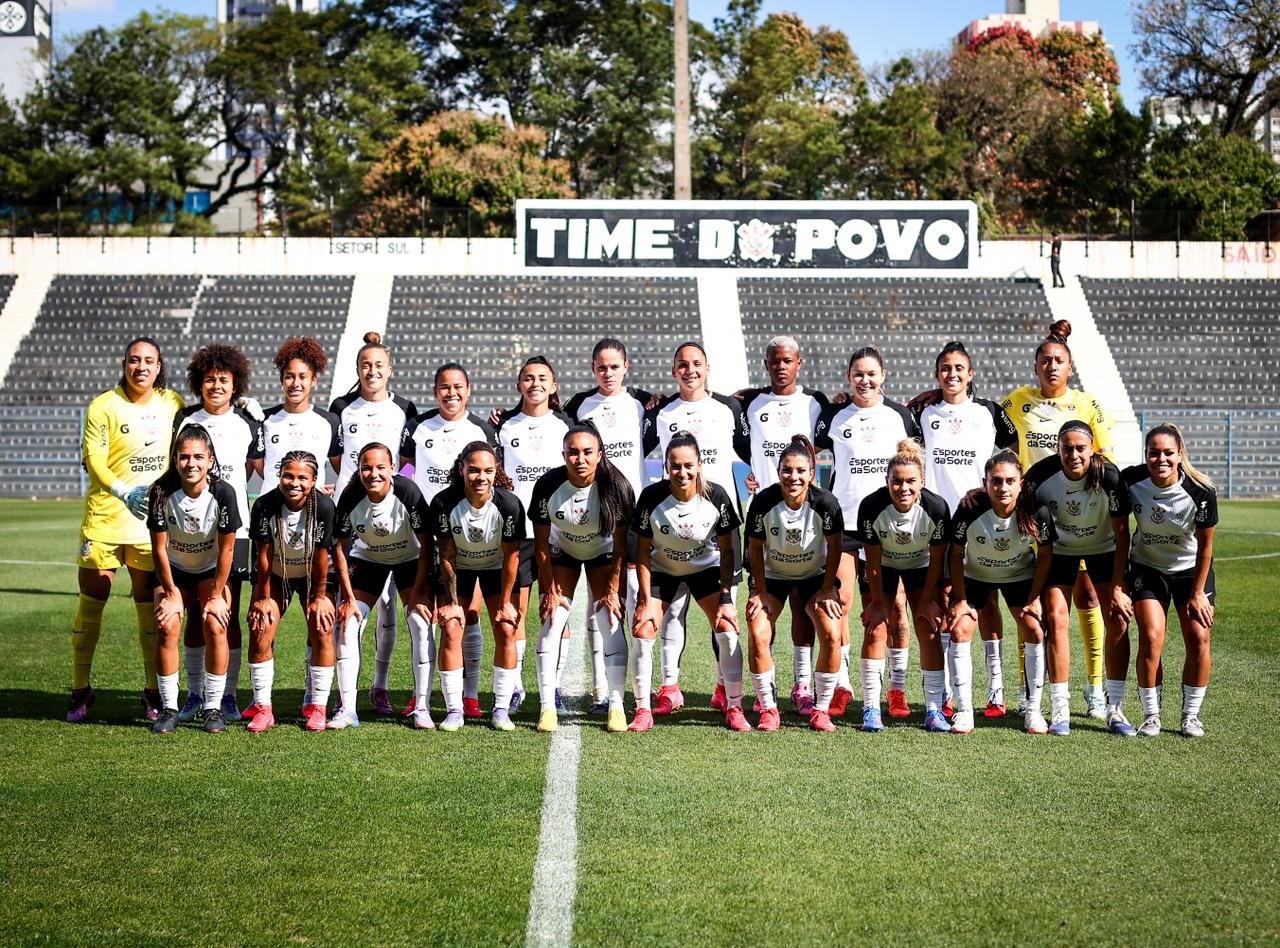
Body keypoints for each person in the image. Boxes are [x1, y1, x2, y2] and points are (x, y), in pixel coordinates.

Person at [68, 337, 185, 723]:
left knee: (150, 613)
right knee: (90, 607)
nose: (141, 367)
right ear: (124, 364)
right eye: (135, 360)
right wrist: (124, 492)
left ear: (158, 366)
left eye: (149, 361)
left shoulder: (172, 404)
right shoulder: (102, 406)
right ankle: (80, 689)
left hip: (150, 527)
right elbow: (94, 460)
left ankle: (151, 691)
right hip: (104, 521)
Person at [1001, 320, 1114, 719]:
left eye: (1059, 360)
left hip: (1077, 518)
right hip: (1032, 518)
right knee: (1030, 605)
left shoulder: (1087, 404)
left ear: (1069, 366)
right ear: (1035, 366)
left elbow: (1105, 457)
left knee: (1087, 598)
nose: (1052, 366)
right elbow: (983, 421)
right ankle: (1027, 687)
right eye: (1045, 360)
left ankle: (1095, 687)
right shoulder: (1016, 402)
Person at [641, 341, 750, 714]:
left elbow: (755, 448)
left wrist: (754, 477)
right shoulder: (661, 412)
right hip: (672, 522)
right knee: (672, 610)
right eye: (683, 364)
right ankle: (669, 687)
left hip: (720, 525)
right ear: (674, 371)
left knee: (723, 610)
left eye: (697, 363)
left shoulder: (730, 408)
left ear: (707, 368)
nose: (690, 370)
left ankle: (723, 688)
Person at [813, 345, 919, 718]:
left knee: (895, 606)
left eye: (871, 373)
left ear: (883, 375)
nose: (865, 380)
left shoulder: (900, 416)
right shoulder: (833, 416)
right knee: (840, 604)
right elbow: (805, 451)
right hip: (844, 524)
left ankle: (896, 689)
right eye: (858, 373)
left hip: (889, 525)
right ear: (848, 377)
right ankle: (841, 685)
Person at [916, 341, 1018, 718]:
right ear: (937, 374)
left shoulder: (989, 411)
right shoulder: (924, 412)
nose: (952, 374)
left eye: (959, 368)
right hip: (939, 520)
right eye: (945, 368)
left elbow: (1012, 447)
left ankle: (995, 689)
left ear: (970, 373)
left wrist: (995, 489)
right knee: (946, 600)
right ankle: (946, 691)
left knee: (987, 602)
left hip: (980, 517)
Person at [736, 335, 829, 713]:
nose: (780, 366)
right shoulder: (750, 403)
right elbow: (738, 435)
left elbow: (832, 434)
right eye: (774, 361)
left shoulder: (816, 403)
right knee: (763, 607)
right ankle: (767, 686)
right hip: (765, 518)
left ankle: (802, 683)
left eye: (787, 360)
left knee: (804, 606)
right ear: (766, 364)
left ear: (798, 363)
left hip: (805, 519)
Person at [172, 343, 263, 723]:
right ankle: (194, 693)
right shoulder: (185, 419)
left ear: (235, 383)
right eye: (209, 380)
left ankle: (227, 694)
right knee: (195, 615)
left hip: (233, 532)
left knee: (225, 613)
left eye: (223, 379)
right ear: (199, 383)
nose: (216, 386)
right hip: (189, 530)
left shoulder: (247, 422)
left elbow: (259, 469)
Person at [400, 362, 496, 719]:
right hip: (424, 535)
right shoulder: (419, 426)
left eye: (457, 387)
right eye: (444, 387)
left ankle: (469, 696)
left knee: (466, 615)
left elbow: (492, 475)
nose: (451, 393)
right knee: (423, 617)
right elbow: (404, 469)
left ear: (468, 390)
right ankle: (420, 694)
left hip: (467, 537)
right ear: (434, 391)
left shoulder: (481, 429)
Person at [563, 338, 654, 715]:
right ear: (592, 368)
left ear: (626, 367)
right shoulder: (579, 406)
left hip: (632, 516)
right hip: (594, 514)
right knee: (599, 603)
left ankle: (638, 690)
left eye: (614, 366)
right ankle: (601, 689)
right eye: (601, 367)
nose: (608, 373)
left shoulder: (643, 404)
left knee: (635, 600)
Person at [329, 332, 417, 716]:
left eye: (379, 364)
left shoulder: (405, 408)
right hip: (352, 514)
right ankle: (342, 692)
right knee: (348, 607)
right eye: (366, 364)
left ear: (390, 369)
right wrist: (357, 488)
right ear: (357, 369)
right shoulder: (341, 407)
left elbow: (408, 460)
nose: (372, 370)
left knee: (389, 606)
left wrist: (391, 489)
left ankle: (379, 687)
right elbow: (337, 457)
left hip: (392, 516)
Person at [1023, 421, 1130, 737]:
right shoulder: (1040, 476)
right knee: (1056, 619)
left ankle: (1115, 707)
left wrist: (1119, 587)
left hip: (1104, 549)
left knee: (1117, 618)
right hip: (1060, 552)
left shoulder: (1109, 477)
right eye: (1066, 448)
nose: (1073, 455)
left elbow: (1122, 533)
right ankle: (1060, 708)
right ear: (1057, 449)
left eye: (1080, 448)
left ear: (1092, 448)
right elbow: (1015, 502)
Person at [631, 432, 742, 731]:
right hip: (663, 570)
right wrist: (644, 600)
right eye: (675, 466)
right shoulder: (651, 498)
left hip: (704, 569)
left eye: (688, 465)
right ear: (666, 467)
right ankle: (642, 710)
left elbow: (728, 551)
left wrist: (725, 599)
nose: (682, 472)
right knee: (643, 629)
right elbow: (641, 552)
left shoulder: (716, 496)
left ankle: (734, 706)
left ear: (699, 464)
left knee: (727, 627)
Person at [1111, 423, 1216, 738]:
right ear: (1145, 454)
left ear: (1180, 454)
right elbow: (1120, 535)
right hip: (1148, 569)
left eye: (1168, 453)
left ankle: (1190, 716)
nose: (1161, 459)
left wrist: (1198, 593)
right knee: (1151, 637)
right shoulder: (1130, 481)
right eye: (1154, 453)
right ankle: (1151, 715)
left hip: (1190, 573)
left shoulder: (1201, 492)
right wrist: (1118, 583)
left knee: (1198, 637)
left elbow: (1206, 548)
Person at [530, 424, 634, 733]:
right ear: (563, 454)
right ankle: (547, 707)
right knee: (552, 620)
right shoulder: (547, 485)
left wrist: (613, 589)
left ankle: (616, 705)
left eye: (588, 452)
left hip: (604, 553)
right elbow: (541, 544)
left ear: (599, 454)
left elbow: (621, 545)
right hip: (563, 552)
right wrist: (550, 588)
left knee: (610, 620)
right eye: (573, 452)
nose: (580, 459)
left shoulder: (617, 486)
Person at [743, 435, 845, 732]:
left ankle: (820, 710)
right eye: (787, 470)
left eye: (801, 471)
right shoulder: (763, 502)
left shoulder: (826, 503)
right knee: (758, 632)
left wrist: (828, 588)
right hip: (772, 578)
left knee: (832, 632)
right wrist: (760, 591)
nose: (793, 477)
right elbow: (754, 548)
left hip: (814, 578)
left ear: (812, 473)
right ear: (778, 472)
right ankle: (768, 709)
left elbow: (835, 547)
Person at [330, 443, 435, 730]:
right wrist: (347, 597)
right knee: (348, 623)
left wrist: (420, 593)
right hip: (369, 560)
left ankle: (422, 708)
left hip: (410, 560)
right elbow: (338, 548)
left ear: (392, 468)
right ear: (358, 469)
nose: (373, 473)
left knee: (420, 621)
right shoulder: (351, 495)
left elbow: (427, 543)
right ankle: (347, 709)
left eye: (380, 467)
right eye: (366, 467)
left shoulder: (408, 492)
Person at [948, 451, 1053, 734]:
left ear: (1021, 483)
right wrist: (960, 600)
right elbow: (954, 553)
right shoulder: (970, 509)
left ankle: (1033, 711)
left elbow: (1045, 554)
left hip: (1019, 577)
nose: (1002, 487)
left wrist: (1035, 598)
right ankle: (964, 711)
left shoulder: (1036, 511)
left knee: (1034, 629)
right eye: (995, 481)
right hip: (976, 577)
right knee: (959, 630)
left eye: (1009, 481)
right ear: (985, 483)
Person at [147, 425, 241, 733]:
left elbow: (227, 550)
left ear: (210, 460)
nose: (191, 463)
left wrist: (215, 595)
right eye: (185, 457)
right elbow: (158, 550)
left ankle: (212, 707)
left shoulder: (224, 493)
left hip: (210, 571)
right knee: (167, 625)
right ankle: (169, 708)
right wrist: (170, 592)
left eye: (199, 457)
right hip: (173, 571)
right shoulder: (160, 492)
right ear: (175, 459)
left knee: (216, 623)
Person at [495, 355, 573, 711]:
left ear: (553, 385)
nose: (535, 383)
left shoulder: (566, 426)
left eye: (542, 378)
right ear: (519, 385)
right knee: (517, 610)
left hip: (559, 532)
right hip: (520, 533)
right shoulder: (504, 426)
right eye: (528, 378)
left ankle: (553, 686)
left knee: (555, 610)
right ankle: (514, 686)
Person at [856, 440, 951, 732]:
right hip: (882, 566)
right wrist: (877, 603)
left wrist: (928, 601)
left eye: (911, 481)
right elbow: (872, 562)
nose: (903, 488)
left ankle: (933, 710)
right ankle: (871, 708)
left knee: (928, 627)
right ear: (887, 480)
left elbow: (937, 559)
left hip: (921, 566)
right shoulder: (871, 506)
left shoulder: (936, 507)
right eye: (896, 481)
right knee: (876, 628)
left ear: (922, 481)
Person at [431, 442, 526, 731]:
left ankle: (501, 710)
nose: (480, 477)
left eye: (488, 471)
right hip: (459, 568)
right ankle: (454, 711)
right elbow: (447, 554)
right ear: (461, 469)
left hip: (497, 568)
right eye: (473, 470)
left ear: (496, 471)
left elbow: (512, 557)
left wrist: (506, 603)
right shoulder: (443, 503)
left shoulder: (509, 505)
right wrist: (451, 602)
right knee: (451, 628)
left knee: (507, 628)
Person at [243, 451, 339, 733]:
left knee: (322, 627)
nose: (294, 483)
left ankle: (318, 707)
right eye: (288, 475)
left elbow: (322, 557)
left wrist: (319, 597)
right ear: (279, 475)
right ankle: (263, 708)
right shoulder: (264, 504)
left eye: (302, 478)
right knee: (260, 627)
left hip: (314, 577)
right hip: (276, 575)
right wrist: (262, 598)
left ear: (314, 480)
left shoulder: (324, 506)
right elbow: (262, 556)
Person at [259, 336, 341, 495]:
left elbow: (343, 468)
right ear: (281, 380)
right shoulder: (263, 420)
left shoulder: (329, 421)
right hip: (271, 506)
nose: (296, 383)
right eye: (289, 376)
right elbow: (257, 467)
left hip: (312, 506)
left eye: (303, 377)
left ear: (313, 380)